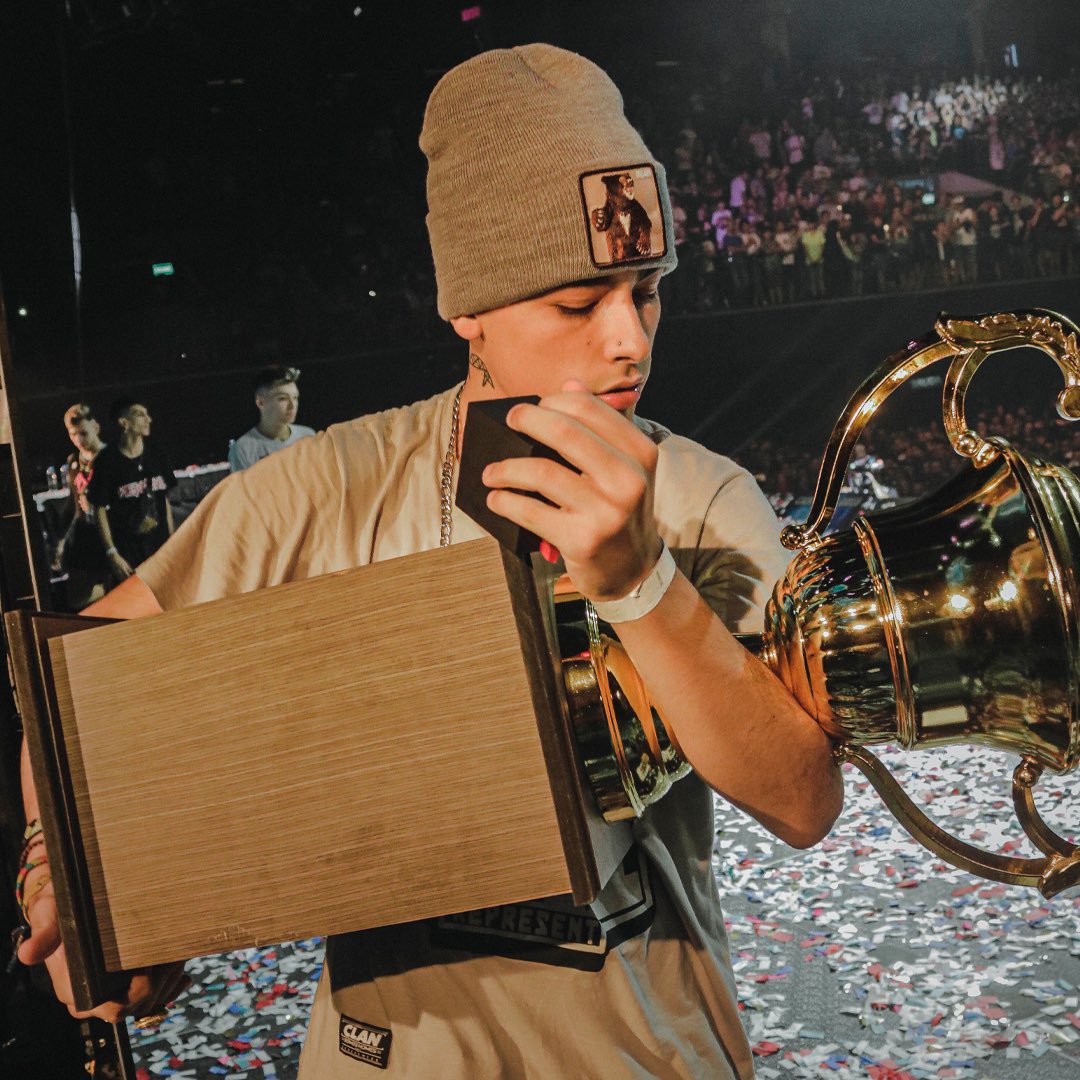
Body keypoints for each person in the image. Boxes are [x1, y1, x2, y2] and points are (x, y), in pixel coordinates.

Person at [18, 45, 842, 1079]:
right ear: (470, 311)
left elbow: (801, 798)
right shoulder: (328, 485)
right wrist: (73, 891)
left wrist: (642, 583)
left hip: (641, 1053)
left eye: (648, 289)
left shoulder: (704, 497)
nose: (630, 339)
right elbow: (79, 691)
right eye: (578, 305)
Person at [85, 398, 176, 581]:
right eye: (140, 415)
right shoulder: (107, 460)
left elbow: (164, 500)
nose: (148, 419)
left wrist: (173, 542)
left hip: (160, 548)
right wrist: (112, 553)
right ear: (124, 422)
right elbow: (99, 509)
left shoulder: (156, 453)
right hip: (129, 553)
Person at [55, 403, 112, 610]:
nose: (79, 440)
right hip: (86, 539)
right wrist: (61, 542)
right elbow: (72, 504)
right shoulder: (73, 462)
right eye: (73, 434)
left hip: (111, 534)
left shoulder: (111, 458)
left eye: (83, 433)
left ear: (95, 427)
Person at [228, 365, 316, 472]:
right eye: (282, 398)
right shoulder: (243, 448)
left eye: (295, 398)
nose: (292, 406)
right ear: (261, 402)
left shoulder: (307, 436)